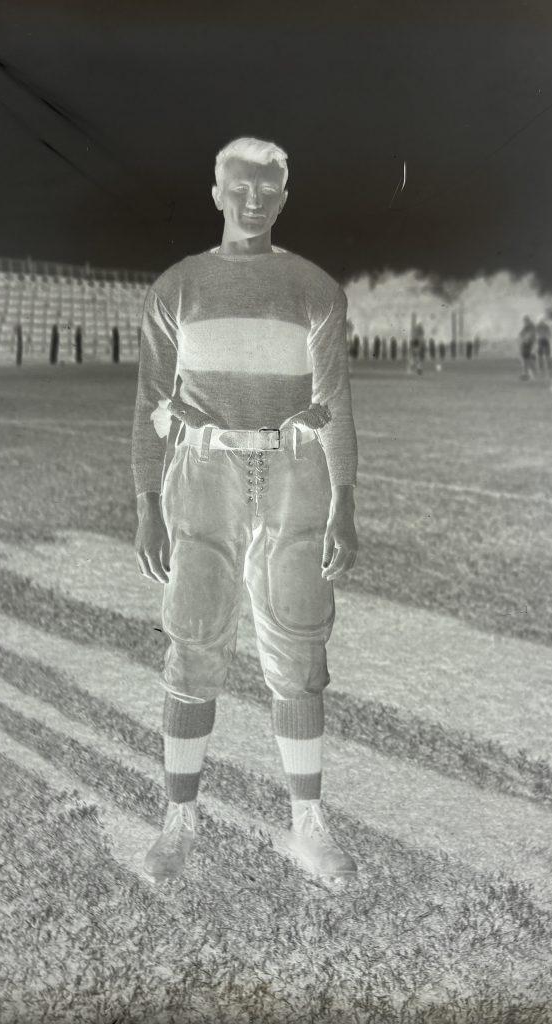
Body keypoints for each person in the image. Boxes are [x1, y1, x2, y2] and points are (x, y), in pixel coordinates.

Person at [132, 137, 359, 885]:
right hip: (203, 471)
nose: (254, 198)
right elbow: (150, 404)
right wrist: (145, 504)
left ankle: (307, 823)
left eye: (268, 187)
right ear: (217, 191)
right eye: (241, 185)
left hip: (295, 470)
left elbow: (336, 404)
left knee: (297, 642)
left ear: (285, 197)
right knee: (195, 637)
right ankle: (179, 820)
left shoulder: (316, 287)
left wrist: (346, 501)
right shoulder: (179, 286)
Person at [518, 316, 537, 380]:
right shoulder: (528, 327)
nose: (524, 322)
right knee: (526, 360)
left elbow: (530, 336)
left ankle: (530, 375)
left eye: (524, 321)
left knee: (528, 360)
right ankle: (526, 374)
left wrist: (526, 339)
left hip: (529, 345)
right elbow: (521, 334)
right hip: (526, 345)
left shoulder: (530, 327)